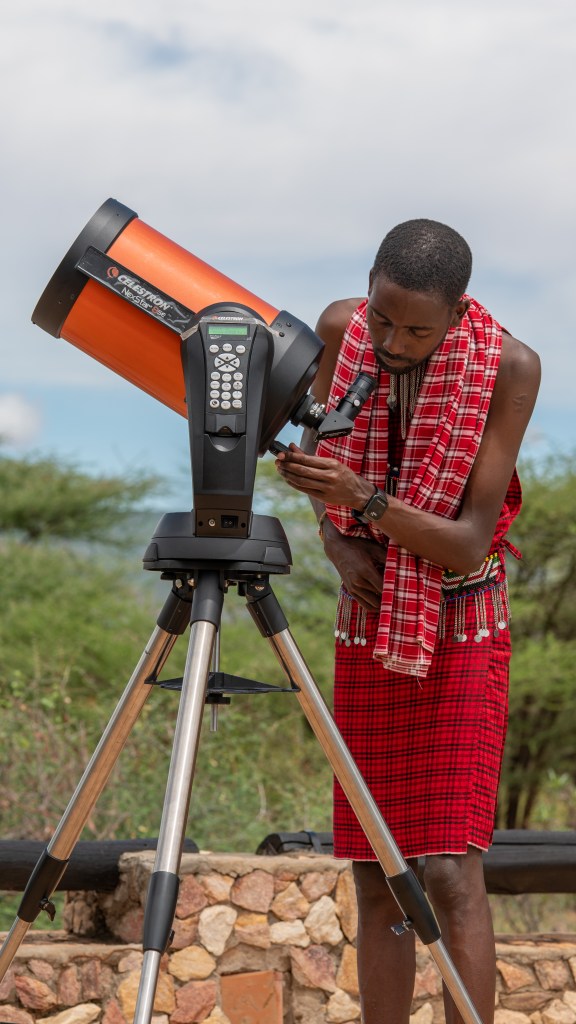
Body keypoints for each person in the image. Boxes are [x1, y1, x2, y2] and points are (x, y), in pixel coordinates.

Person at [274, 219, 541, 1024]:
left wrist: (364, 502)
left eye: (418, 329)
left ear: (458, 315)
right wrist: (331, 535)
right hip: (370, 627)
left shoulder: (508, 367)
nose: (391, 341)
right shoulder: (337, 330)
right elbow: (329, 469)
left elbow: (463, 545)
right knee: (373, 868)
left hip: (460, 628)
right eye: (383, 318)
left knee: (451, 870)